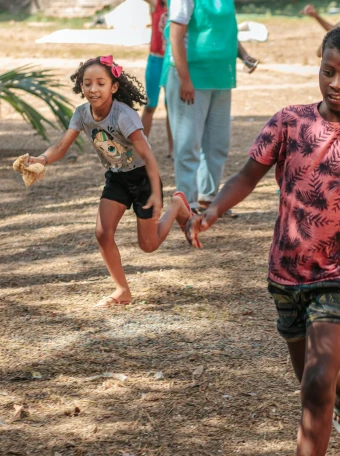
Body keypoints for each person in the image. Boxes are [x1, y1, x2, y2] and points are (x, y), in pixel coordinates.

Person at [186, 26, 340, 456]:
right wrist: (213, 210)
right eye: (329, 71)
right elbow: (246, 175)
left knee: (313, 384)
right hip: (286, 275)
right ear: (319, 65)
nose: (337, 84)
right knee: (313, 376)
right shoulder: (288, 122)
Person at [27, 56, 193, 307]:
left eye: (100, 83)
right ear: (80, 86)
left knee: (148, 245)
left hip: (143, 178)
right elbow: (61, 146)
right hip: (116, 177)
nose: (93, 89)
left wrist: (157, 195)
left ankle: (176, 207)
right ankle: (122, 290)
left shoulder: (123, 116)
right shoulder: (82, 114)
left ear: (113, 87)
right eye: (87, 83)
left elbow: (148, 156)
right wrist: (40, 159)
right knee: (103, 233)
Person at [163, 0, 237, 211]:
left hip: (220, 76)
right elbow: (176, 36)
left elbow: (226, 30)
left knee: (218, 143)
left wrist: (244, 54)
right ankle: (187, 202)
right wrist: (185, 79)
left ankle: (209, 197)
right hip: (192, 76)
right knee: (188, 143)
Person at [141, 0, 173, 157]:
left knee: (172, 107)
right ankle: (140, 148)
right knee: (150, 106)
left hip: (172, 61)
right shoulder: (157, 4)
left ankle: (173, 150)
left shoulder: (182, 5)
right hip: (156, 60)